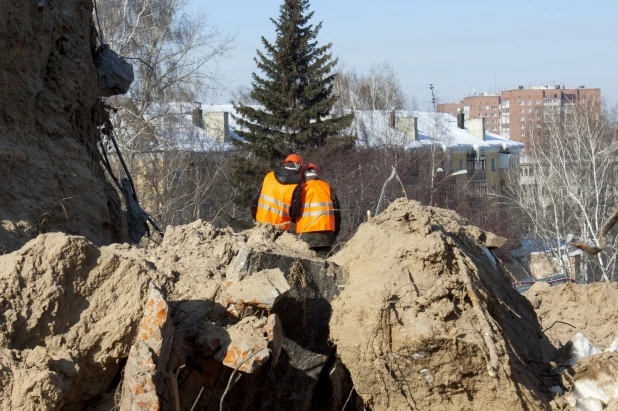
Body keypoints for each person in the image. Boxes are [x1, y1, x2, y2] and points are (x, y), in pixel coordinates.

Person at [291, 163, 340, 255]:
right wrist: (335, 233)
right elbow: (337, 213)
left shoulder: (300, 189)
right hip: (326, 233)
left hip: (305, 234)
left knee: (305, 263)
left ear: (303, 176)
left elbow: (293, 211)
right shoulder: (327, 188)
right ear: (317, 174)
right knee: (325, 263)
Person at [251, 154, 303, 231]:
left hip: (261, 221)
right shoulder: (296, 185)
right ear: (299, 167)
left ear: (286, 163)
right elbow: (294, 212)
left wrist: (254, 216)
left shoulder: (270, 175)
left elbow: (255, 198)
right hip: (280, 227)